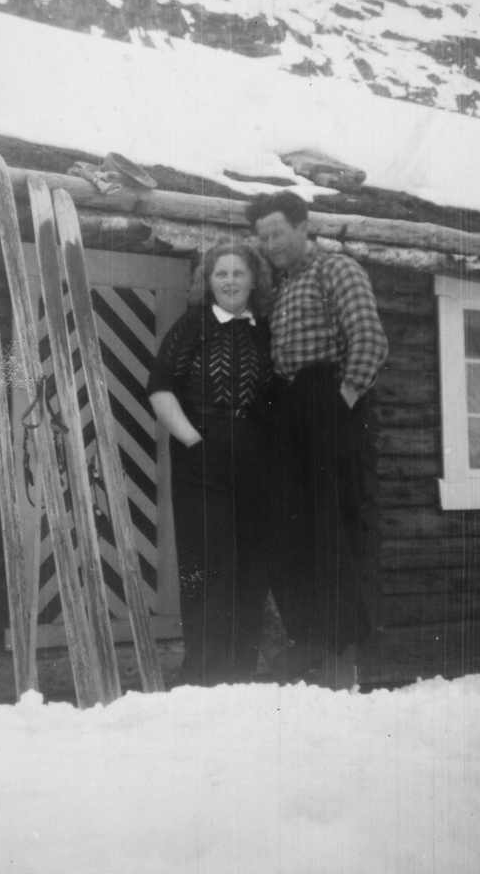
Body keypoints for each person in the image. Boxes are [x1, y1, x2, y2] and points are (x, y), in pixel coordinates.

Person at [245, 191, 388, 688]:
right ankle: (310, 637)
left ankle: (340, 656)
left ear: (304, 225)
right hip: (290, 410)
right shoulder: (282, 286)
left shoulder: (336, 269)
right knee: (291, 527)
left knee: (333, 526)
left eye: (277, 233)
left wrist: (340, 403)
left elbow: (369, 339)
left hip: (327, 401)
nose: (271, 244)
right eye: (263, 238)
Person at [147, 240, 273, 686]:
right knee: (205, 565)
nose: (230, 281)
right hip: (200, 463)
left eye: (239, 273)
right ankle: (202, 669)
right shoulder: (190, 327)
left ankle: (241, 669)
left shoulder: (266, 332)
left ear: (254, 279)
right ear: (208, 280)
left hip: (257, 465)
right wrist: (195, 442)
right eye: (222, 273)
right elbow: (160, 390)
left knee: (249, 566)